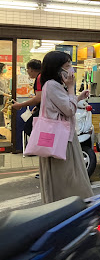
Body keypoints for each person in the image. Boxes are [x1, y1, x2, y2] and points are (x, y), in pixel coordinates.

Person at [38, 51, 93, 203]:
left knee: (67, 179)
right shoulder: (52, 85)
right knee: (69, 181)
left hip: (61, 138)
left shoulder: (52, 85)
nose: (71, 70)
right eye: (67, 66)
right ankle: (69, 212)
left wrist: (78, 97)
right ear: (57, 69)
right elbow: (69, 109)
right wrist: (71, 88)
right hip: (61, 140)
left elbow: (64, 105)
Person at [12, 59, 42, 136]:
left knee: (29, 129)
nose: (27, 71)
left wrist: (20, 105)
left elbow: (39, 98)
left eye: (27, 69)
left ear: (31, 69)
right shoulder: (42, 77)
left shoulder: (39, 78)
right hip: (43, 109)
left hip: (45, 111)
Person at [0, 63, 10, 139]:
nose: (5, 69)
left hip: (2, 99)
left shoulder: (3, 77)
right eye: (4, 68)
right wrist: (6, 95)